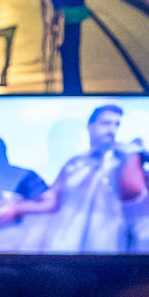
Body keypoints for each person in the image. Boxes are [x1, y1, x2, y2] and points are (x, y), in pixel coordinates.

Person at [25, 103, 130, 253]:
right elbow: (50, 200)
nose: (111, 130)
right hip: (66, 247)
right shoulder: (74, 164)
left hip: (108, 249)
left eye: (116, 124)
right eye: (106, 123)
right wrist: (17, 204)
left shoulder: (124, 162)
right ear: (90, 126)